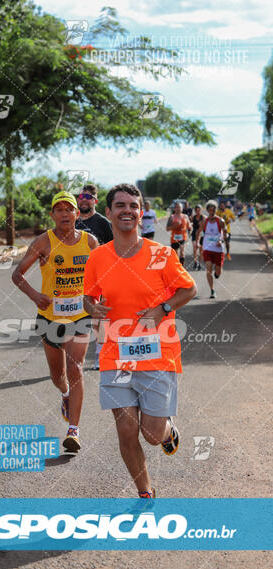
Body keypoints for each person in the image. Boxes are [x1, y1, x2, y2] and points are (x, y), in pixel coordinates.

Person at [83, 184, 197, 498]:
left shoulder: (161, 254)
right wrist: (93, 307)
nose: (127, 211)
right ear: (108, 213)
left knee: (151, 433)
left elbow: (189, 289)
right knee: (126, 430)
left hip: (158, 356)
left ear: (141, 212)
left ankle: (168, 430)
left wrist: (163, 309)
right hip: (115, 355)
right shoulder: (98, 258)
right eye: (120, 205)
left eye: (134, 205)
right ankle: (145, 491)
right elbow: (88, 299)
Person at [12, 191, 98, 453]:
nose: (64, 214)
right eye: (59, 210)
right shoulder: (43, 242)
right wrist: (35, 296)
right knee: (57, 376)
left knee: (75, 369)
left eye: (69, 209)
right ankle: (65, 395)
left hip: (79, 316)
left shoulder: (90, 241)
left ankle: (74, 431)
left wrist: (94, 301)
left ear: (77, 214)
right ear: (52, 215)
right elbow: (17, 275)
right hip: (50, 318)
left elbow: (102, 275)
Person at [76, 183, 113, 370]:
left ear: (95, 201)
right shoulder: (71, 221)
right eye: (81, 197)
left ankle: (99, 355)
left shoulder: (102, 223)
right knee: (75, 317)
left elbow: (115, 248)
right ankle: (74, 357)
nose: (83, 200)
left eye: (88, 197)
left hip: (99, 277)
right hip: (73, 277)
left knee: (97, 318)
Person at [197, 200, 227, 299]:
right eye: (210, 210)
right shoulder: (204, 222)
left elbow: (225, 233)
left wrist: (221, 241)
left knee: (218, 271)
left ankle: (217, 274)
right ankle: (212, 290)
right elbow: (199, 232)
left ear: (216, 210)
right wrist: (197, 243)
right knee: (208, 268)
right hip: (207, 248)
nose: (212, 212)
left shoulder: (220, 221)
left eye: (213, 210)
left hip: (218, 249)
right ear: (207, 211)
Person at [191, 205, 205, 270]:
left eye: (199, 210)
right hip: (194, 234)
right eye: (196, 210)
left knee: (201, 250)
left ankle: (199, 263)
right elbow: (191, 224)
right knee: (194, 248)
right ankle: (195, 262)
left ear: (201, 210)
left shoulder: (204, 217)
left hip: (202, 234)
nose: (197, 211)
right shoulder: (193, 217)